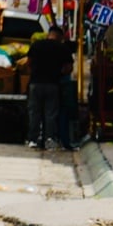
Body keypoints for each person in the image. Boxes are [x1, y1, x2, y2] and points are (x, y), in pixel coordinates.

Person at [26, 24, 76, 152]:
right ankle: (49, 139)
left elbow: (28, 63)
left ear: (49, 34)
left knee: (34, 113)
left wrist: (34, 73)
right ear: (60, 36)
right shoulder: (62, 48)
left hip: (35, 84)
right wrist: (60, 73)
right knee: (51, 113)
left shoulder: (36, 45)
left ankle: (33, 139)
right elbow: (69, 68)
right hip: (53, 85)